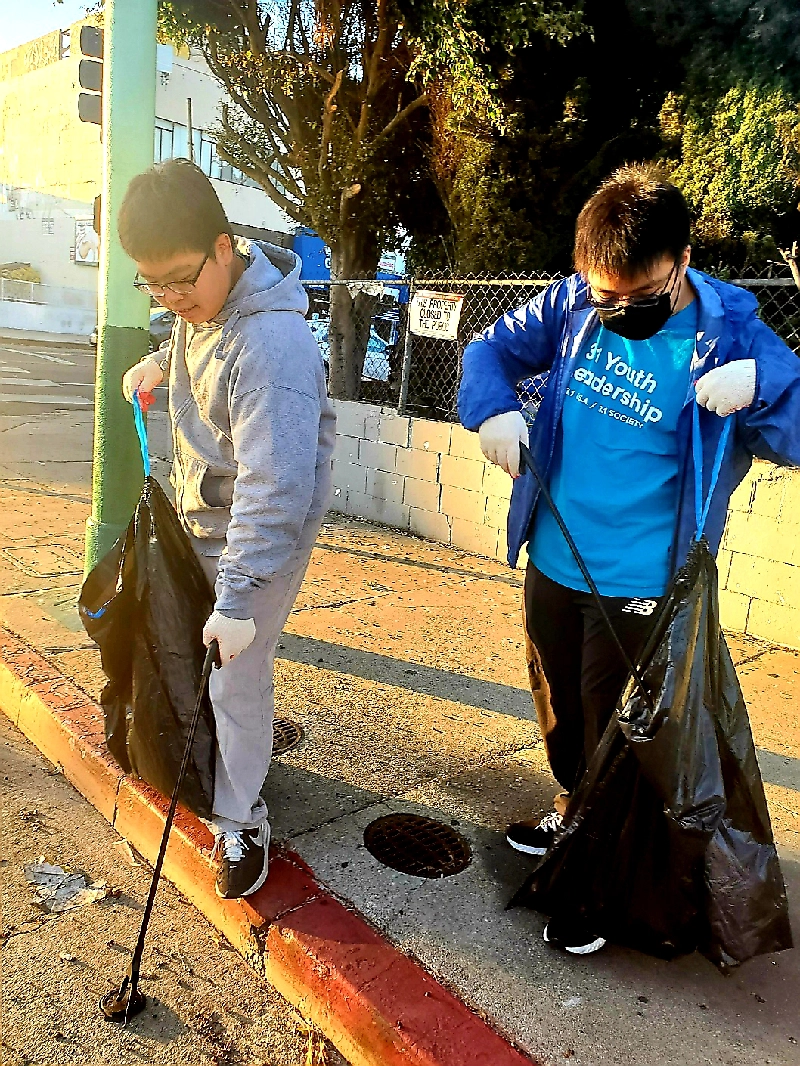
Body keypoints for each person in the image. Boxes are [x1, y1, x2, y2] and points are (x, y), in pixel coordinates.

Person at [458, 164, 800, 956]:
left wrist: (771, 383)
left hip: (641, 584)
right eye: (603, 296)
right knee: (566, 718)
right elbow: (489, 349)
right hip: (555, 558)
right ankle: (570, 812)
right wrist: (496, 409)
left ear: (681, 259)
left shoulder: (735, 340)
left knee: (623, 745)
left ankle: (599, 886)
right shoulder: (575, 305)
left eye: (636, 299)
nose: (616, 313)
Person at [118, 159, 336, 900]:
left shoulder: (273, 349)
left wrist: (239, 597)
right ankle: (214, 767)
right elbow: (191, 341)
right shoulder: (202, 313)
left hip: (257, 538)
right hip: (202, 517)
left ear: (223, 247)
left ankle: (241, 818)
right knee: (196, 657)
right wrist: (156, 361)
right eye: (152, 285)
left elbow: (275, 489)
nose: (171, 298)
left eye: (179, 278)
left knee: (237, 674)